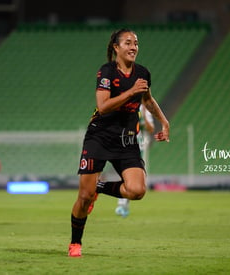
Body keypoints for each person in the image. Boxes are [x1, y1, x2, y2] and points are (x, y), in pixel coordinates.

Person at [68, 28, 170, 257]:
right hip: (100, 137)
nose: (133, 47)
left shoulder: (142, 72)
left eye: (136, 43)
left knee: (137, 190)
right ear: (116, 47)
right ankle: (75, 243)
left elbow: (147, 99)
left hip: (127, 140)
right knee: (84, 197)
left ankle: (100, 188)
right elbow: (103, 106)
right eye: (128, 42)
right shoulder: (106, 72)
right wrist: (130, 91)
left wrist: (164, 121)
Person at [115, 104, 154, 217]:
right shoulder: (125, 106)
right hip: (124, 144)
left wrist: (144, 116)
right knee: (125, 174)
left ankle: (124, 203)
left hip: (139, 147)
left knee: (137, 177)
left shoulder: (144, 109)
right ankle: (122, 204)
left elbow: (150, 129)